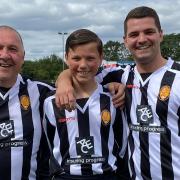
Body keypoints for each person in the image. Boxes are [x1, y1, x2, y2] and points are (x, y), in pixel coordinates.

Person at [55, 6, 180, 180]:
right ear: (125, 40)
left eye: (149, 32)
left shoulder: (178, 78)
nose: (142, 39)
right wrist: (63, 83)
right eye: (134, 34)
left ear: (161, 34)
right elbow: (82, 72)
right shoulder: (121, 74)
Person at [43, 29, 128, 180]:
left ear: (101, 58)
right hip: (65, 176)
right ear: (66, 58)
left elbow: (121, 146)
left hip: (105, 176)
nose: (83, 65)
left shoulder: (112, 99)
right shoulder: (50, 102)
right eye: (76, 58)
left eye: (90, 58)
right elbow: (48, 143)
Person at [0, 25, 55, 180]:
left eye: (12, 49)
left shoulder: (41, 91)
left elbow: (83, 84)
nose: (4, 55)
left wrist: (65, 78)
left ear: (23, 56)